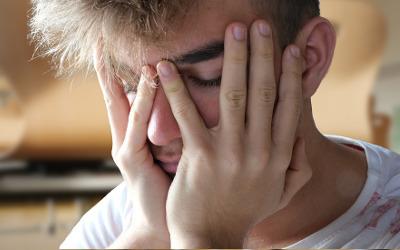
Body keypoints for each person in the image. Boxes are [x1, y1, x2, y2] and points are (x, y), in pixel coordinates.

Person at [29, 0, 400, 248]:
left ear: (309, 59)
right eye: (132, 85)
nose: (158, 130)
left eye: (210, 77)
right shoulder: (128, 216)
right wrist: (150, 236)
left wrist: (206, 236)